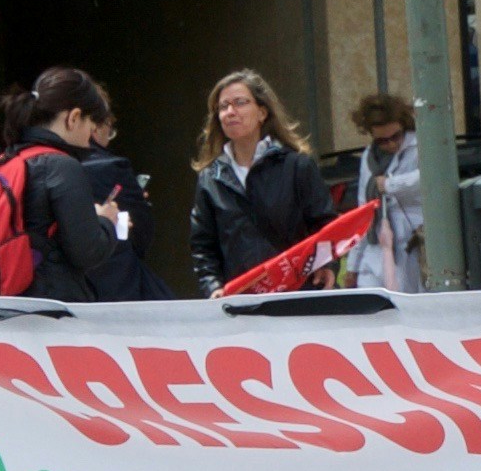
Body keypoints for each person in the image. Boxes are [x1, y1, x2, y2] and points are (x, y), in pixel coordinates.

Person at [0, 68, 131, 301]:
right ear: (74, 117)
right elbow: (88, 251)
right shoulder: (62, 166)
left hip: (8, 303)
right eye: (91, 125)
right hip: (49, 305)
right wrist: (107, 221)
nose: (90, 139)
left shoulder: (5, 162)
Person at [187, 69, 335, 287]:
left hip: (296, 291)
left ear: (262, 113)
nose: (230, 112)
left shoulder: (296, 166)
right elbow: (203, 246)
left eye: (240, 103)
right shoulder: (210, 178)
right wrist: (214, 287)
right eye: (223, 106)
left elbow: (325, 224)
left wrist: (327, 265)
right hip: (242, 297)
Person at [70, 100, 161, 299]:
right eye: (109, 131)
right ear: (94, 126)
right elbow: (141, 232)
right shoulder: (111, 167)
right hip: (114, 283)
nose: (109, 139)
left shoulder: (33, 164)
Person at [344, 93, 426, 291]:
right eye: (382, 140)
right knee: (371, 300)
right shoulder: (369, 158)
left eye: (396, 136)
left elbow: (431, 178)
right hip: (377, 244)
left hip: (412, 242)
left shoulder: (420, 146)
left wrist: (390, 185)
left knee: (407, 301)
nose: (391, 144)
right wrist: (353, 266)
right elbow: (364, 211)